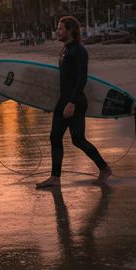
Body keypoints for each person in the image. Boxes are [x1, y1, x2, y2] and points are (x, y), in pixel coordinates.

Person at [36, 16, 111, 188]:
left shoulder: (79, 51)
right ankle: (55, 178)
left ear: (69, 31)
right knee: (55, 137)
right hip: (63, 100)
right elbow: (64, 80)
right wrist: (51, 102)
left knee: (78, 139)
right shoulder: (65, 49)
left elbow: (81, 79)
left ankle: (104, 168)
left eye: (60, 29)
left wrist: (71, 102)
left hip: (74, 101)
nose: (57, 31)